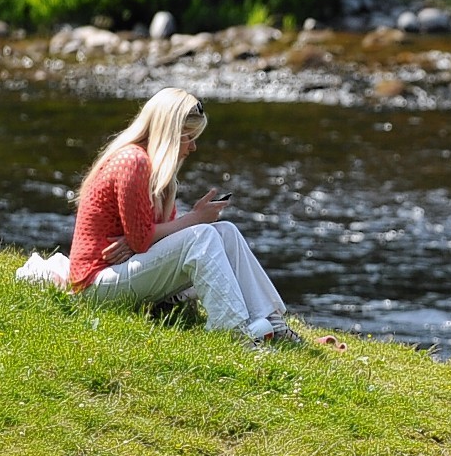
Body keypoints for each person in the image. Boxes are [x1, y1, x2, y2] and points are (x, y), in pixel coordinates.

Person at [69, 87, 301, 345]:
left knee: (225, 232)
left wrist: (144, 236)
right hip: (95, 286)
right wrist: (193, 219)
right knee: (201, 236)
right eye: (187, 137)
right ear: (167, 134)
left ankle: (275, 324)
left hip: (125, 272)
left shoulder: (158, 173)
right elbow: (143, 241)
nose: (193, 146)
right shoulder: (133, 161)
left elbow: (147, 239)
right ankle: (234, 334)